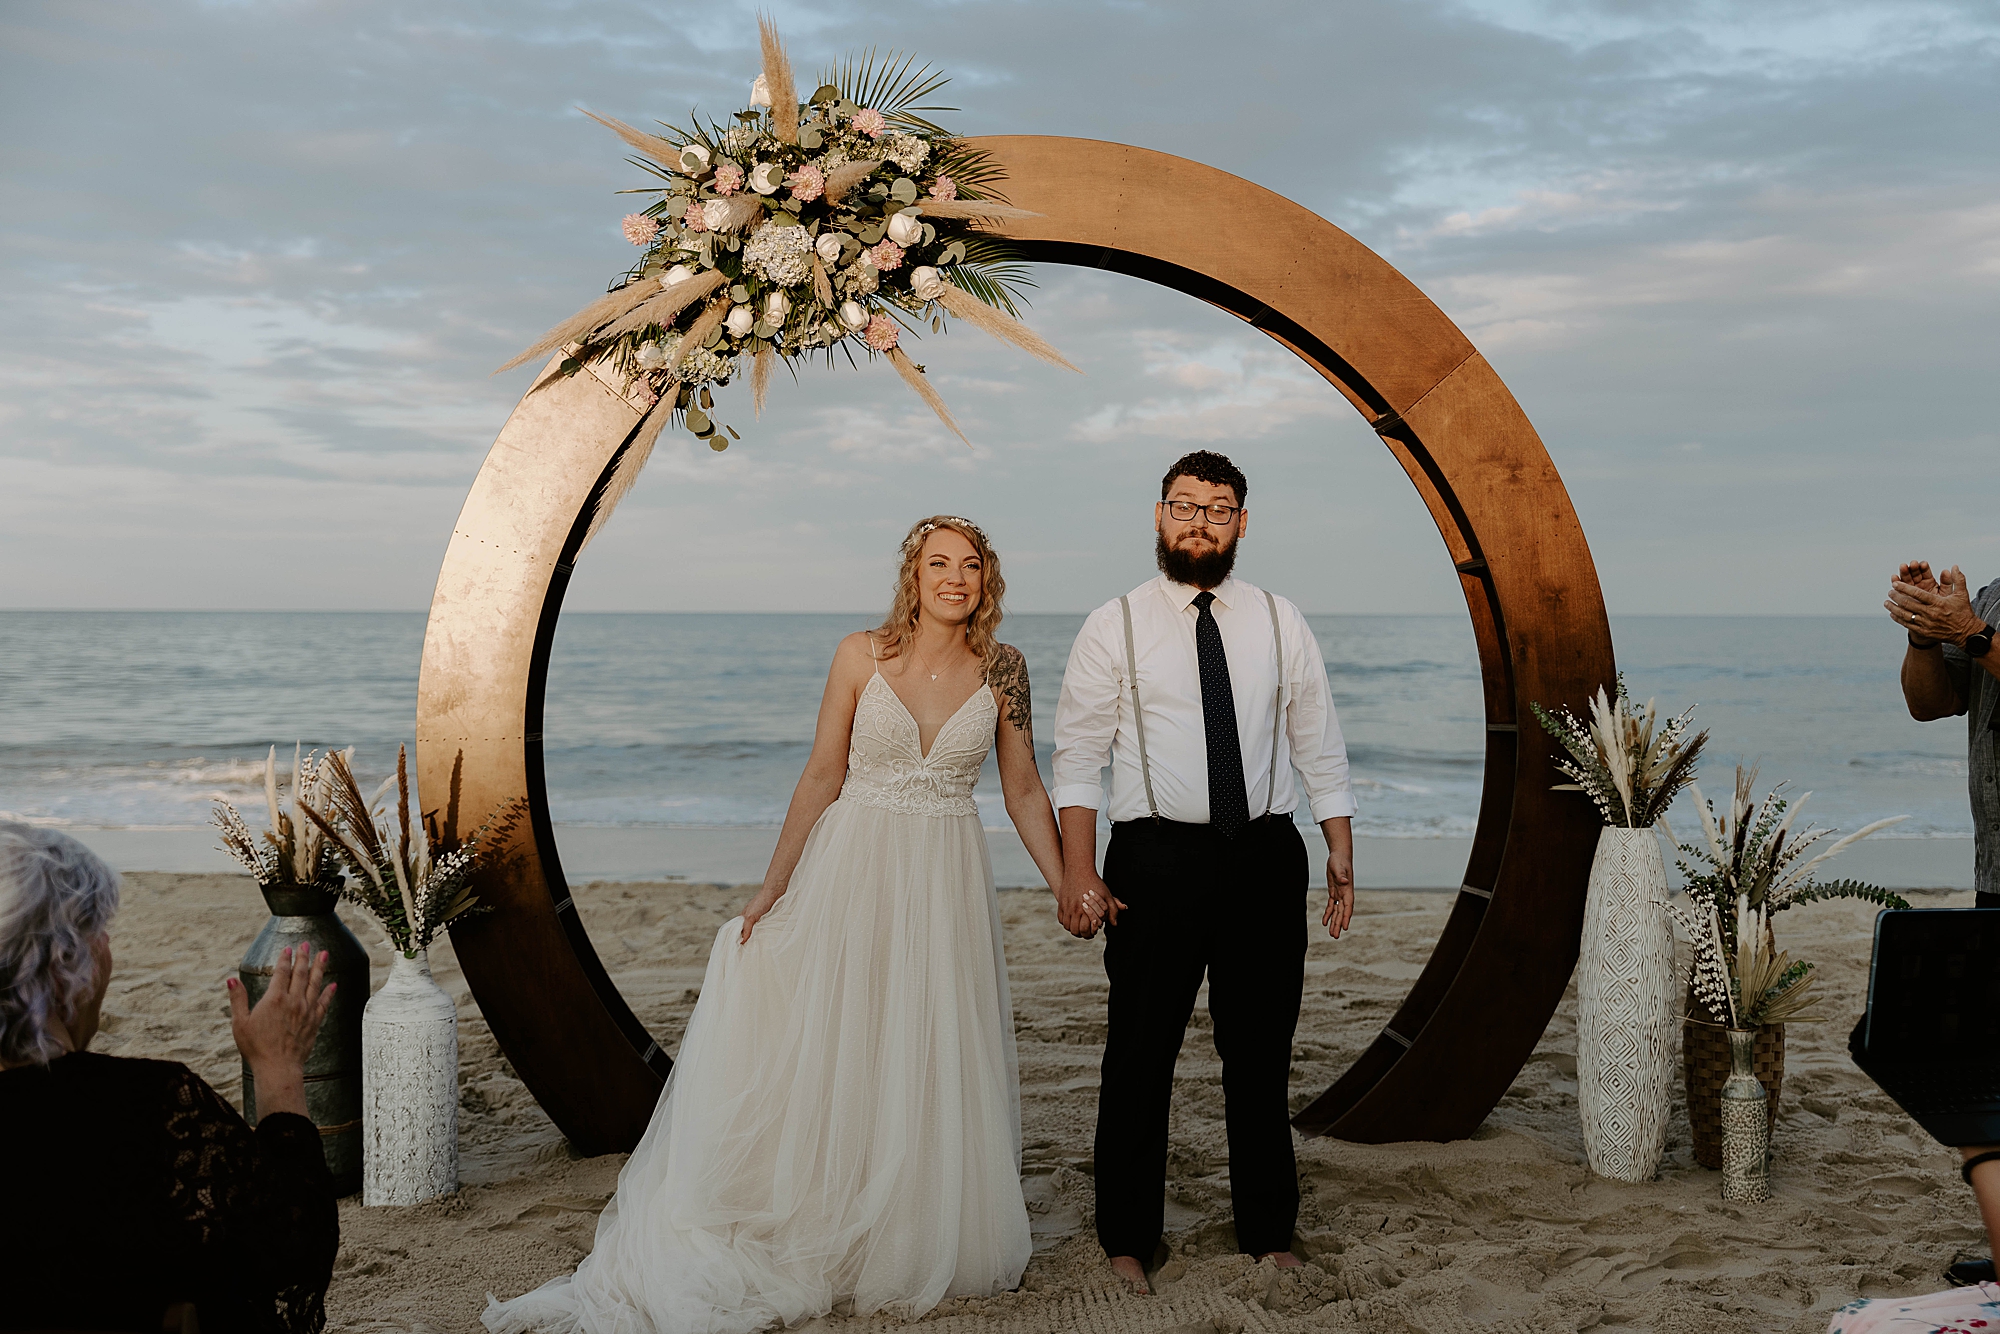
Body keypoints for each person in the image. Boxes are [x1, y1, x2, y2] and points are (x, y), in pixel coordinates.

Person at [484, 515, 1064, 1334]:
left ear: (987, 580)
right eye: (939, 564)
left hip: (945, 879)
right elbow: (823, 773)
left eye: (970, 566)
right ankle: (832, 1205)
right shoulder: (860, 655)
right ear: (913, 575)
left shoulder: (1005, 670)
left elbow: (1025, 790)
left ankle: (908, 1219)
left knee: (927, 1040)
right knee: (847, 1036)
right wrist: (771, 890)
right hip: (855, 864)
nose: (955, 579)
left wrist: (1073, 881)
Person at [1050, 450, 1358, 1294]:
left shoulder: (1278, 618)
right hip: (1154, 859)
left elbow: (1315, 737)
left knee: (1259, 1055)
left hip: (1263, 856)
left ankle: (1269, 1232)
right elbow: (1076, 761)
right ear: (1159, 515)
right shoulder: (1112, 623)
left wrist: (1338, 843)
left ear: (1241, 524)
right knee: (1139, 1053)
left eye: (1217, 509)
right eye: (1184, 506)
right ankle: (1126, 1239)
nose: (1199, 522)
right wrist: (1080, 874)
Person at [0, 822, 339, 1334]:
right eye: (98, 930)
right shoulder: (153, 1104)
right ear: (64, 961)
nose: (107, 945)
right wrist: (278, 1067)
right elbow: (292, 1244)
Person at [1886, 561, 1999, 908]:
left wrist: (1968, 632)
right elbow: (1928, 705)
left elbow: (1970, 633)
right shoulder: (1992, 598)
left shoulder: (1975, 618)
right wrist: (1925, 632)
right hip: (1994, 872)